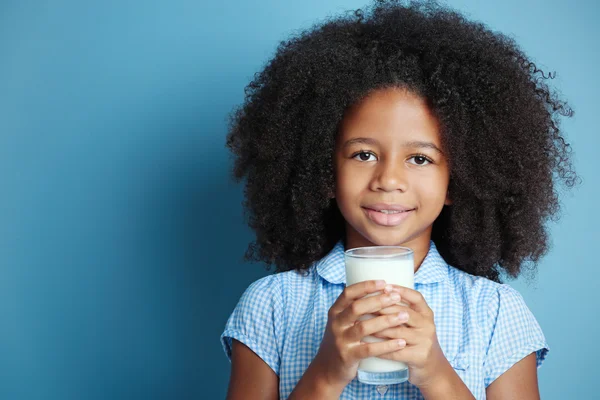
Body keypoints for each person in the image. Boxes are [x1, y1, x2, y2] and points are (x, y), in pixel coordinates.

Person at [219, 0, 578, 398]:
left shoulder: (495, 313)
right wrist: (325, 373)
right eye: (363, 154)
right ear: (323, 172)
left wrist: (438, 374)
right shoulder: (271, 305)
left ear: (458, 182)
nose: (389, 180)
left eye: (420, 158)